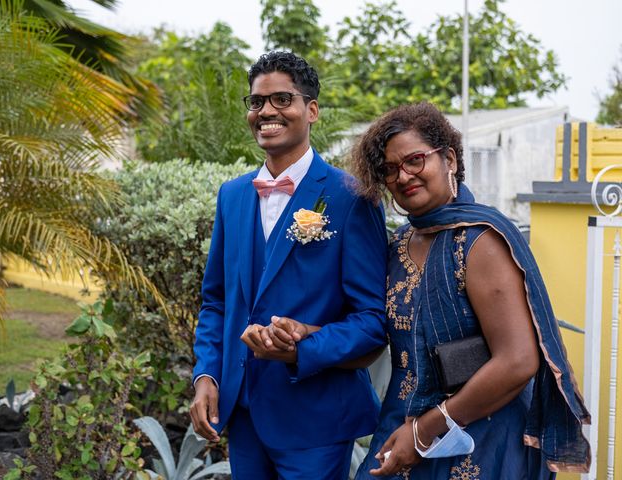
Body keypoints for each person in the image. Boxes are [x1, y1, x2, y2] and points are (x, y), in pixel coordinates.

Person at [345, 102, 591, 479]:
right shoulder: (399, 243)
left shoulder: (480, 240)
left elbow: (518, 361)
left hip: (480, 437)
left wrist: (425, 431)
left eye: (414, 160)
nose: (403, 176)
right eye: (389, 169)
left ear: (450, 159)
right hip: (403, 421)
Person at [189, 50, 388, 480]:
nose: (267, 112)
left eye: (282, 99)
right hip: (243, 414)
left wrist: (302, 347)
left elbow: (373, 320)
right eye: (257, 102)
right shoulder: (233, 195)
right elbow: (216, 301)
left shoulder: (352, 196)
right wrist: (207, 375)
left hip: (316, 418)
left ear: (310, 110)